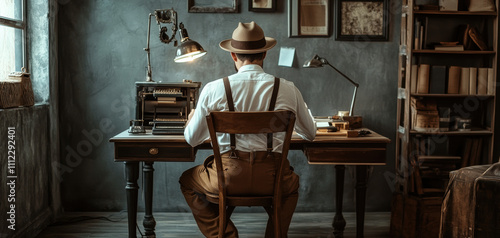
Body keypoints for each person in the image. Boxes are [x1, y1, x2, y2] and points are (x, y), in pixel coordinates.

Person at [179, 21, 316, 238]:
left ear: (233, 56)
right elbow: (311, 133)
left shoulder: (213, 89)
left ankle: (225, 235)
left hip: (227, 178)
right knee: (291, 186)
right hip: (272, 178)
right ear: (265, 54)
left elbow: (192, 140)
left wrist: (192, 119)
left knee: (187, 180)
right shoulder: (288, 89)